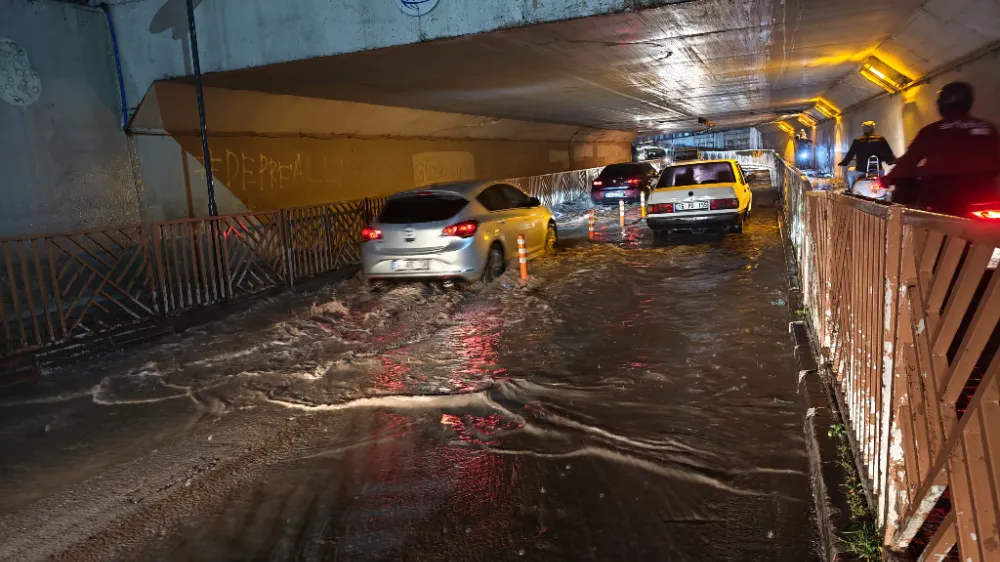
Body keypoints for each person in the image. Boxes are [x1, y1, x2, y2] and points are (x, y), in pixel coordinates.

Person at [884, 81, 1000, 215]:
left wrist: (887, 179)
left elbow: (908, 162)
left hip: (944, 200)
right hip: (986, 196)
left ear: (943, 104)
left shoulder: (932, 131)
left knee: (932, 225)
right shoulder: (988, 128)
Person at [838, 120, 897, 191]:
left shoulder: (857, 140)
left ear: (863, 129)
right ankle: (883, 189)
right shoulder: (881, 139)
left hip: (861, 171)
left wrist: (844, 163)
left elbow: (850, 155)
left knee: (850, 172)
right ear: (873, 129)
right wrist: (890, 160)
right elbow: (889, 153)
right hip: (878, 170)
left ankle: (851, 189)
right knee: (883, 171)